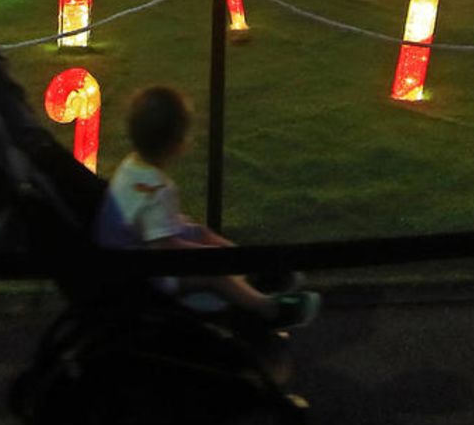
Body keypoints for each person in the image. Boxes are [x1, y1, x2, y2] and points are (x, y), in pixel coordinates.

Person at [96, 85, 321, 331]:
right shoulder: (159, 190)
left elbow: (144, 220)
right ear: (176, 143)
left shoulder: (130, 166)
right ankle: (269, 308)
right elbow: (163, 248)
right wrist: (207, 256)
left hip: (126, 250)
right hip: (143, 273)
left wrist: (193, 235)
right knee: (214, 275)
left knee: (200, 232)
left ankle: (248, 268)